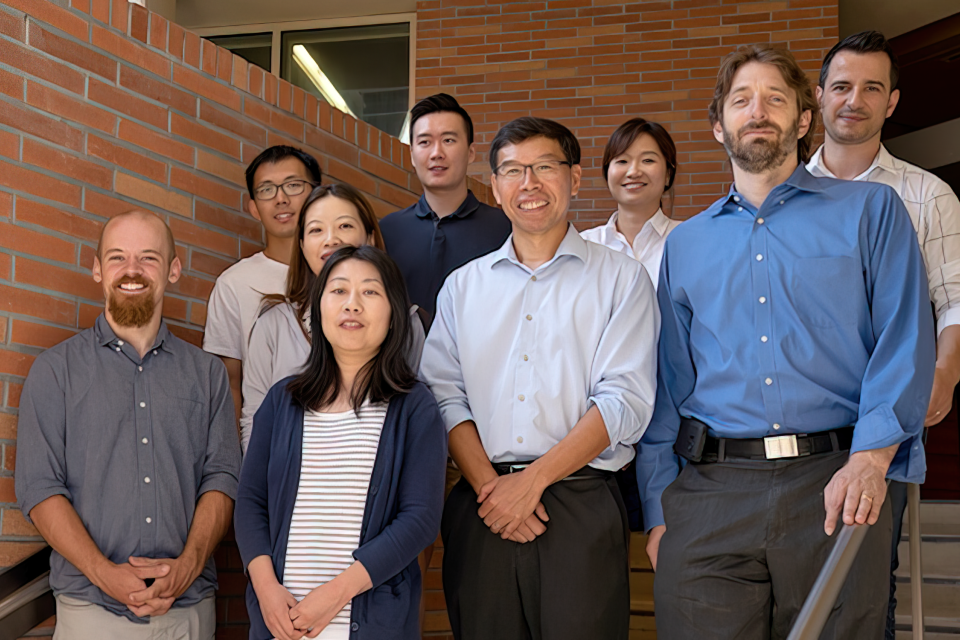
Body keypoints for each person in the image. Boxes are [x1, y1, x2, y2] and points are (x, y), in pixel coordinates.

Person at [637, 44, 935, 638]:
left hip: (836, 484)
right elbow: (670, 383)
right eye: (741, 99)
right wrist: (658, 508)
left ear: (805, 119)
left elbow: (905, 339)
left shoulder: (872, 211)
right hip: (710, 493)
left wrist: (872, 460)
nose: (758, 111)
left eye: (776, 98)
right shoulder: (686, 244)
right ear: (717, 123)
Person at [420, 116, 659, 640]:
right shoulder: (463, 288)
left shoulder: (621, 278)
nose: (528, 184)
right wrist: (492, 488)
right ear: (497, 189)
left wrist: (532, 482)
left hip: (580, 505)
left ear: (574, 178)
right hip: (482, 507)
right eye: (511, 171)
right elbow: (442, 396)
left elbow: (624, 400)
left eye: (544, 167)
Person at [15, 210, 241, 639]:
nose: (132, 270)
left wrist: (188, 566)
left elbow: (222, 477)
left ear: (174, 269)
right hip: (91, 612)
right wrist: (104, 573)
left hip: (188, 612)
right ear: (97, 268)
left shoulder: (207, 375)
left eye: (149, 258)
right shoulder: (55, 371)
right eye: (117, 257)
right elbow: (39, 487)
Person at [806, 30, 960, 639]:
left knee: (864, 595)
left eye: (872, 88)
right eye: (841, 86)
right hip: (791, 427)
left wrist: (943, 375)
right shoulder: (781, 191)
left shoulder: (928, 195)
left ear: (892, 102)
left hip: (882, 425)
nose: (855, 100)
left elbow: (954, 302)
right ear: (818, 97)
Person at [235, 245, 447, 640]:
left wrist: (336, 594)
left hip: (371, 621)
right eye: (338, 291)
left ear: (393, 314)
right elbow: (250, 502)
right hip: (283, 622)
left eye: (370, 292)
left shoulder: (414, 406)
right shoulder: (283, 401)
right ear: (319, 309)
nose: (352, 305)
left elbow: (419, 519)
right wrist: (266, 591)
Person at [241, 184, 426, 453]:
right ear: (302, 244)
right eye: (316, 230)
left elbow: (420, 422)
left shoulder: (406, 323)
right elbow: (254, 420)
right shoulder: (273, 324)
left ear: (371, 238)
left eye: (345, 226)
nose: (331, 240)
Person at [204, 146, 322, 432]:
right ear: (254, 207)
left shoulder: (345, 274)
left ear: (317, 194)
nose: (281, 199)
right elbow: (229, 386)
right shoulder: (234, 284)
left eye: (293, 185)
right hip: (270, 446)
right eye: (267, 190)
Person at [379, 93, 511, 321]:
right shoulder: (386, 231)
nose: (436, 153)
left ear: (471, 152)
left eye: (448, 140)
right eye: (424, 142)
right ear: (412, 155)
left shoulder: (506, 229)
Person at [581, 117, 682, 289]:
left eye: (648, 160)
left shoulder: (688, 241)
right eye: (622, 161)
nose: (633, 171)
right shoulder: (584, 247)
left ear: (668, 174)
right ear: (607, 173)